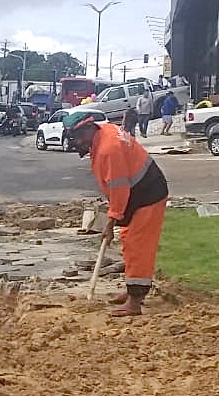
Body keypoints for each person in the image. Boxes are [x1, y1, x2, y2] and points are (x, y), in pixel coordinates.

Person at [66, 110, 169, 318]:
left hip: (147, 193)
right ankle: (133, 288)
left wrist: (110, 222)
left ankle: (135, 302)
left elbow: (119, 188)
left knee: (138, 245)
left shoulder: (108, 149)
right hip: (136, 192)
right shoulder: (103, 132)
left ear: (87, 129)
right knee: (128, 239)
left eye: (76, 137)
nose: (76, 143)